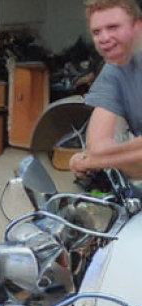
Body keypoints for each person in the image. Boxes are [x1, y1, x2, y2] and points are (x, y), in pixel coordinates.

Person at [70, 0, 142, 179]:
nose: (104, 38)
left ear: (137, 27)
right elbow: (97, 147)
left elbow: (99, 158)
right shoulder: (114, 69)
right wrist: (93, 160)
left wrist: (95, 161)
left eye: (113, 27)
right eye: (96, 32)